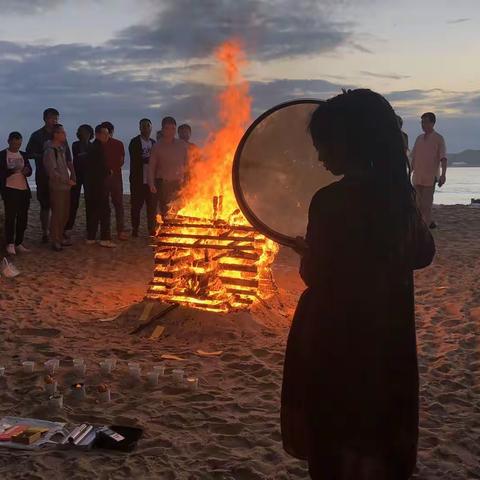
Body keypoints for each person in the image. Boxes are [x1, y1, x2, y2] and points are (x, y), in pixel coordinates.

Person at [281, 90, 435, 479]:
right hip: (388, 339)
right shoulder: (398, 195)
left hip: (337, 339)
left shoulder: (330, 201)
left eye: (324, 146)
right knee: (378, 438)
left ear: (349, 142)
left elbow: (318, 276)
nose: (320, 156)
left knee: (335, 438)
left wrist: (307, 253)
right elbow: (422, 253)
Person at [26, 108, 72, 243]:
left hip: (60, 176)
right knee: (45, 205)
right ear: (45, 119)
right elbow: (28, 153)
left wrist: (72, 174)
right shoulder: (37, 135)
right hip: (43, 175)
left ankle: (58, 232)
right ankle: (45, 232)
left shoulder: (60, 136)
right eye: (52, 118)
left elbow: (68, 157)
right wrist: (44, 156)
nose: (54, 120)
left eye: (56, 118)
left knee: (59, 207)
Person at [42, 124, 76, 251]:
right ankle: (55, 240)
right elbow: (52, 171)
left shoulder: (61, 149)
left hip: (65, 187)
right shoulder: (50, 151)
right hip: (57, 187)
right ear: (55, 134)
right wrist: (66, 180)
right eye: (62, 132)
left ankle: (59, 238)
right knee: (58, 214)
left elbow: (66, 165)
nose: (65, 135)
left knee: (64, 214)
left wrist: (70, 178)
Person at [411, 112, 447, 229]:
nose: (423, 125)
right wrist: (408, 173)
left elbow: (443, 158)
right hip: (417, 177)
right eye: (422, 122)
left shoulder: (438, 138)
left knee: (426, 205)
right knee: (417, 205)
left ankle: (425, 229)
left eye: (426, 122)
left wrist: (443, 175)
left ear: (432, 123)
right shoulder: (419, 138)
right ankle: (425, 224)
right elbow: (414, 157)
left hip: (430, 178)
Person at [148, 116, 188, 218]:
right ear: (163, 129)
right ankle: (166, 230)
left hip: (179, 183)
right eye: (167, 128)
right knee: (166, 211)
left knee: (180, 210)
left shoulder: (182, 145)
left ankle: (177, 231)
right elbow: (151, 167)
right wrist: (151, 184)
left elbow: (187, 165)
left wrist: (188, 182)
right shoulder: (157, 146)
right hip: (163, 184)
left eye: (173, 128)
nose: (170, 131)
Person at [0, 132, 32, 255]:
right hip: (9, 188)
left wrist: (27, 171)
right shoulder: (2, 155)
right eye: (14, 144)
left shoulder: (23, 154)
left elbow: (29, 169)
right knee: (11, 217)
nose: (16, 147)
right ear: (9, 141)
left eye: (19, 144)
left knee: (23, 217)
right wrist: (11, 171)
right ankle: (10, 243)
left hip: (23, 189)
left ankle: (19, 242)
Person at [84, 125, 115, 248]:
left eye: (108, 134)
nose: (107, 136)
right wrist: (109, 172)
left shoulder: (93, 147)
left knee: (94, 211)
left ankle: (91, 237)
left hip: (92, 185)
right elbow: (99, 167)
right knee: (104, 211)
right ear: (97, 134)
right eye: (104, 134)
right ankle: (104, 238)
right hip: (98, 185)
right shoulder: (97, 148)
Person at [128, 119, 156, 237]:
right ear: (140, 128)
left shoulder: (154, 143)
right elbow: (135, 159)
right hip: (138, 180)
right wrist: (150, 160)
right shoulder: (134, 142)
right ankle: (135, 229)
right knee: (136, 206)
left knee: (151, 207)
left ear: (151, 128)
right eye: (143, 126)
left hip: (151, 182)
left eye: (147, 126)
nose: (145, 128)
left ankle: (151, 229)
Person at [64, 124, 94, 236]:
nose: (84, 135)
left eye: (86, 133)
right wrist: (87, 155)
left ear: (90, 134)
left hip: (89, 175)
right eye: (81, 132)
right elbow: (78, 156)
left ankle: (90, 227)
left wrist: (86, 155)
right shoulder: (76, 144)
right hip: (77, 174)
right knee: (73, 201)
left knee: (89, 201)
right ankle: (68, 226)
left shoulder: (92, 146)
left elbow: (88, 158)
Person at [101, 121, 128, 240]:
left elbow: (121, 160)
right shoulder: (116, 144)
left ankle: (111, 231)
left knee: (110, 205)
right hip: (111, 177)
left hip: (108, 177)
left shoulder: (114, 144)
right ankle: (118, 231)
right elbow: (121, 161)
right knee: (115, 205)